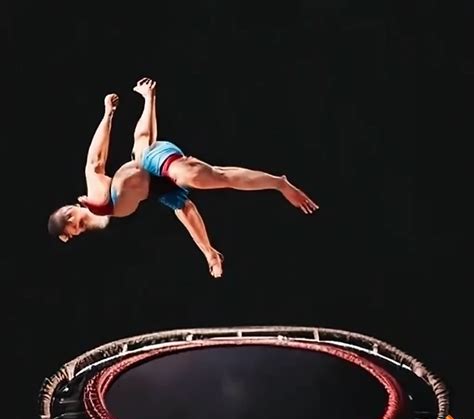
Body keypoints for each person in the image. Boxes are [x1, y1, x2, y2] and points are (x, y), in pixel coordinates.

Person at [48, 77, 318, 277]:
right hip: (153, 187)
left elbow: (94, 161)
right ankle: (210, 253)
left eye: (71, 229)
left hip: (152, 161)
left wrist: (107, 114)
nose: (76, 233)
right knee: (183, 206)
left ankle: (279, 183)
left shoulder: (93, 196)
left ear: (71, 215)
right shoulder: (97, 220)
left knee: (196, 173)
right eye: (72, 235)